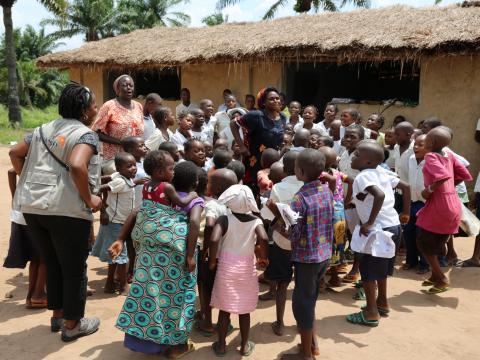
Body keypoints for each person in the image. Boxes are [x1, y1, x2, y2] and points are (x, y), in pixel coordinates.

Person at [9, 82, 102, 340]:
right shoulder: (86, 134)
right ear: (84, 110)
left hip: (33, 207)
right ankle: (73, 325)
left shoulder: (41, 130)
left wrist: (31, 182)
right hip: (67, 210)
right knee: (74, 268)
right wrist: (90, 199)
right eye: (94, 104)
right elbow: (77, 165)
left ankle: (58, 316)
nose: (96, 108)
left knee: (53, 263)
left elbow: (16, 154)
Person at [111, 155, 201, 357]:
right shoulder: (189, 199)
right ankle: (176, 345)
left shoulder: (147, 188)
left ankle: (147, 342)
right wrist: (189, 256)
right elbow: (194, 223)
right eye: (171, 168)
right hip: (174, 254)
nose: (173, 171)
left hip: (148, 251)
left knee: (148, 294)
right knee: (177, 297)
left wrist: (120, 238)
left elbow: (137, 212)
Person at [272, 149, 333, 360]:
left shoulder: (299, 199)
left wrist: (275, 223)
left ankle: (306, 355)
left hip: (307, 259)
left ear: (300, 171)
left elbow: (293, 235)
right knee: (310, 300)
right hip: (323, 255)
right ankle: (311, 345)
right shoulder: (326, 190)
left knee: (302, 305)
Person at [346, 140, 410, 326]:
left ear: (367, 162)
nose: (352, 156)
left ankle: (371, 313)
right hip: (393, 227)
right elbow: (405, 186)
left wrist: (369, 222)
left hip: (377, 231)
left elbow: (379, 195)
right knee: (381, 270)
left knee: (367, 272)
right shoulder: (380, 171)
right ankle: (382, 303)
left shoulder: (363, 177)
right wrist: (405, 212)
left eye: (357, 154)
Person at [209, 185, 269, 357]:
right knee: (244, 310)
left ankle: (221, 345)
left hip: (226, 268)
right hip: (246, 269)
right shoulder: (256, 221)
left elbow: (214, 240)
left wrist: (212, 261)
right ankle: (243, 345)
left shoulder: (224, 219)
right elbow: (264, 238)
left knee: (224, 310)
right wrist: (263, 258)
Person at [416, 127, 472, 294]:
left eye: (425, 141)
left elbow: (442, 176)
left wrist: (429, 191)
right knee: (434, 239)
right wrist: (448, 188)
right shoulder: (450, 155)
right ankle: (435, 275)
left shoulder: (431, 156)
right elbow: (463, 174)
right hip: (452, 201)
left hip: (440, 204)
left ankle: (441, 278)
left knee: (424, 242)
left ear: (431, 143)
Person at [264, 152, 303, 336]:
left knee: (282, 284)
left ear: (285, 169)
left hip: (283, 243)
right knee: (303, 287)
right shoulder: (311, 186)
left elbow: (272, 215)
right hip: (305, 245)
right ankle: (303, 323)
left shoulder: (279, 187)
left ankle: (279, 323)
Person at [197, 169, 238, 336]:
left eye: (210, 182)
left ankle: (207, 322)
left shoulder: (214, 204)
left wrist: (206, 249)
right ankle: (224, 322)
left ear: (218, 188)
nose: (207, 185)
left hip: (212, 254)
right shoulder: (238, 205)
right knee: (224, 288)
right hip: (230, 255)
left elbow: (208, 225)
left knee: (206, 286)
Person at [92, 152, 139, 294]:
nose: (133, 168)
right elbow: (103, 188)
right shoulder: (120, 181)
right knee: (121, 256)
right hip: (116, 222)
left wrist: (93, 180)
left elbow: (106, 179)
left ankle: (109, 283)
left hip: (121, 222)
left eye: (134, 165)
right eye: (129, 166)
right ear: (119, 168)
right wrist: (95, 192)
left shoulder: (121, 177)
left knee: (114, 255)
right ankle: (123, 285)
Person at [4, 168, 46, 309]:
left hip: (21, 212)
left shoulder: (27, 160)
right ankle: (38, 296)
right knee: (46, 256)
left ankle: (31, 297)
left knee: (36, 258)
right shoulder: (37, 159)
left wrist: (15, 197)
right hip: (35, 212)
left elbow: (11, 172)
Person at [232, 87, 286, 190]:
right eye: (271, 99)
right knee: (255, 187)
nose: (275, 100)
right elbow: (233, 123)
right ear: (264, 102)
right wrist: (242, 146)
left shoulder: (283, 117)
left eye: (277, 98)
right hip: (255, 160)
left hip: (274, 161)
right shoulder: (256, 115)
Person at [92, 74, 144, 175]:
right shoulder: (109, 106)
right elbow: (96, 132)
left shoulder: (138, 106)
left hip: (135, 157)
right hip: (114, 159)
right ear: (117, 88)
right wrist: (121, 142)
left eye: (131, 85)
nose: (129, 88)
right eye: (125, 85)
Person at [319, 146, 352, 286]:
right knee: (338, 244)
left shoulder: (319, 175)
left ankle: (320, 280)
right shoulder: (338, 173)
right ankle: (334, 277)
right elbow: (351, 181)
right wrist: (346, 200)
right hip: (339, 213)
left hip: (325, 214)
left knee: (323, 243)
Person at [403, 134, 430, 273]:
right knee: (408, 233)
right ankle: (411, 260)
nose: (416, 147)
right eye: (415, 144)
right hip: (412, 201)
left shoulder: (432, 161)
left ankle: (425, 264)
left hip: (426, 204)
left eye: (420, 144)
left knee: (422, 235)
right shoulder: (412, 159)